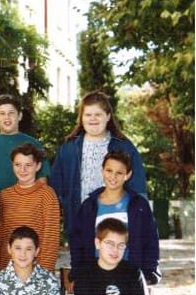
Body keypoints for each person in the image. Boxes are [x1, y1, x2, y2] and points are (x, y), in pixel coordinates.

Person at [50, 91, 147, 236]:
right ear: (81, 118)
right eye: (88, 115)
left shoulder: (124, 147)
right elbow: (55, 187)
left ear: (108, 116)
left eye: (98, 114)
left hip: (115, 219)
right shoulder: (69, 148)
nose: (93, 119)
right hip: (79, 220)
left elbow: (138, 187)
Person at [70, 151, 161, 286]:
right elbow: (77, 243)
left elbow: (151, 240)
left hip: (130, 276)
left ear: (127, 175)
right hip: (96, 277)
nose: (113, 176)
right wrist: (77, 273)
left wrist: (148, 274)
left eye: (119, 173)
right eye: (109, 170)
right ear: (102, 171)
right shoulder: (89, 206)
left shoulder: (138, 205)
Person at [0, 143, 60, 272]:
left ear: (38, 166)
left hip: (37, 270)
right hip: (9, 270)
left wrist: (43, 273)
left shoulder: (47, 194)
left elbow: (51, 237)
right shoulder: (4, 195)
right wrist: (1, 269)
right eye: (18, 165)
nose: (22, 170)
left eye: (28, 165)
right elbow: (2, 236)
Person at [0, 94, 50, 193]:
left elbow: (42, 180)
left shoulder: (34, 144)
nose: (7, 117)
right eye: (2, 113)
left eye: (11, 113)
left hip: (25, 200)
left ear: (19, 116)